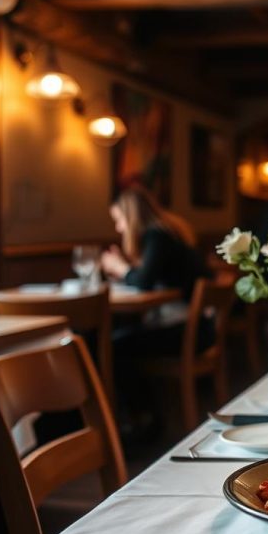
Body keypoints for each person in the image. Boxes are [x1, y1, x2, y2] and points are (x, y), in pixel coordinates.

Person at [100, 186, 214, 438]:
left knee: (115, 346)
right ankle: (141, 418)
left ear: (131, 217)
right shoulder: (167, 233)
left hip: (189, 332)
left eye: (119, 220)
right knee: (119, 339)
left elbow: (143, 282)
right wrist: (128, 265)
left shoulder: (157, 237)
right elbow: (148, 276)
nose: (119, 228)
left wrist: (118, 266)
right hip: (199, 328)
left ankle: (141, 423)